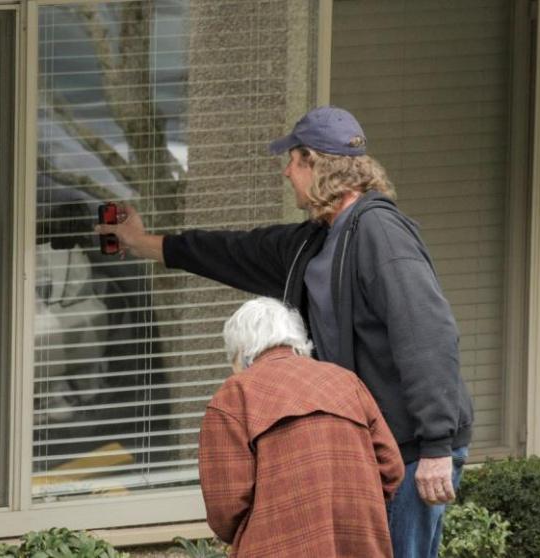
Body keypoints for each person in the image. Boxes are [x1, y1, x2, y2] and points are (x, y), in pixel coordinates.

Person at [95, 105, 474, 558]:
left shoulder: (380, 232)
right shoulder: (316, 240)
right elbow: (233, 252)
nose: (285, 173)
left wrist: (436, 447)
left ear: (315, 162)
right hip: (367, 447)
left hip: (411, 450)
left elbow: (427, 335)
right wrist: (141, 243)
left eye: (292, 161)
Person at [200, 297, 404, 557]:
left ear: (242, 351)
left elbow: (225, 505)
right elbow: (391, 468)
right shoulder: (346, 382)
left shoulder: (235, 395)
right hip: (358, 544)